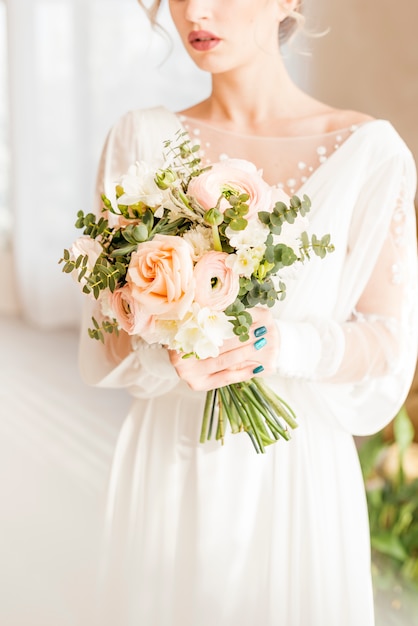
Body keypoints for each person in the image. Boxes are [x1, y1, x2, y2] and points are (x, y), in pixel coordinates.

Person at [79, 1, 418, 625]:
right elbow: (105, 336)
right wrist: (165, 332)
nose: (195, 11)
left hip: (295, 474)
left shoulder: (370, 153)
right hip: (169, 463)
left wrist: (282, 345)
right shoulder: (140, 139)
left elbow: (388, 340)